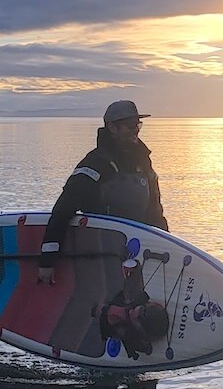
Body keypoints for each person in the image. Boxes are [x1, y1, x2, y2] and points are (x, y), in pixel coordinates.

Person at [38, 100, 168, 284]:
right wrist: (47, 260)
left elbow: (155, 209)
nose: (136, 130)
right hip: (101, 257)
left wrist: (168, 244)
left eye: (138, 124)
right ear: (112, 128)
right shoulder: (95, 163)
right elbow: (63, 209)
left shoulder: (143, 162)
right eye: (130, 126)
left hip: (139, 253)